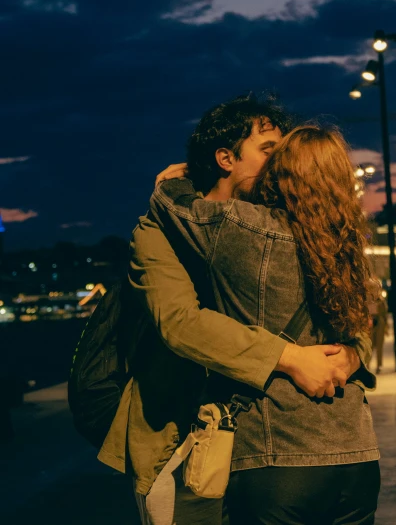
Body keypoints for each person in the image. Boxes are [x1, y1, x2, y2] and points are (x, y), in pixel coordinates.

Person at [98, 95, 373, 525]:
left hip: (267, 447)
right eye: (269, 150)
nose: (282, 162)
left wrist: (351, 354)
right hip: (188, 437)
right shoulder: (158, 232)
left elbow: (351, 313)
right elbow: (180, 323)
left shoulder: (281, 222)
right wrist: (291, 357)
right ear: (225, 158)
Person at [369, 288, 388, 374]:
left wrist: (386, 328)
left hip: (380, 324)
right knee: (370, 346)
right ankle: (367, 364)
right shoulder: (367, 300)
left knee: (379, 346)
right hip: (369, 325)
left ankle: (379, 365)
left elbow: (385, 315)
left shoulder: (381, 301)